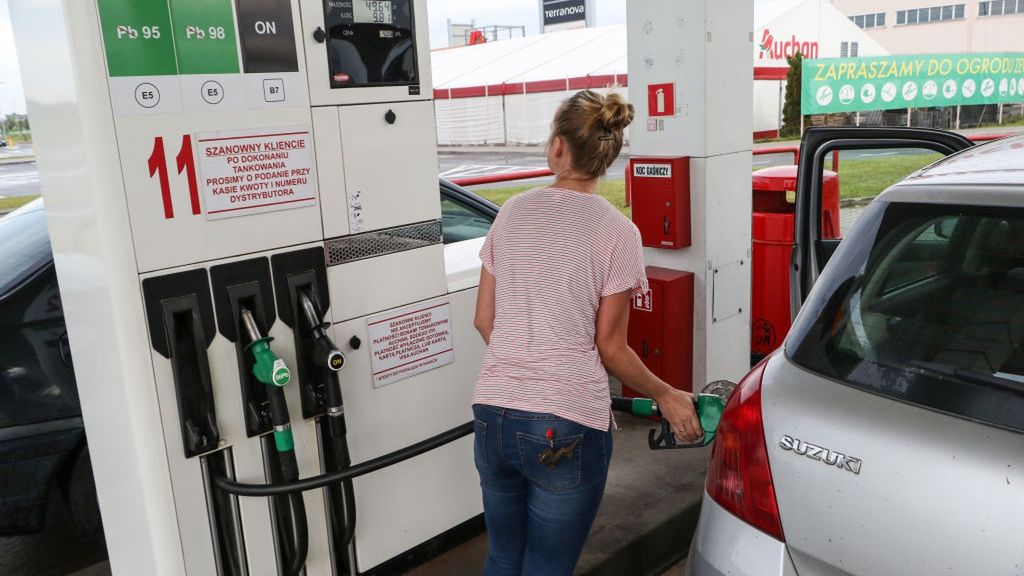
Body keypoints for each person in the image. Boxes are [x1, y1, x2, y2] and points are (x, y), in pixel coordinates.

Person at [471, 89, 703, 576]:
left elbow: (485, 320)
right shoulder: (618, 231)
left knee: (501, 557)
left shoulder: (511, 212)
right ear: (607, 155)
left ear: (558, 146)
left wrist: (524, 368)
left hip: (493, 413)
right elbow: (610, 348)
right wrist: (666, 394)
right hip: (565, 423)